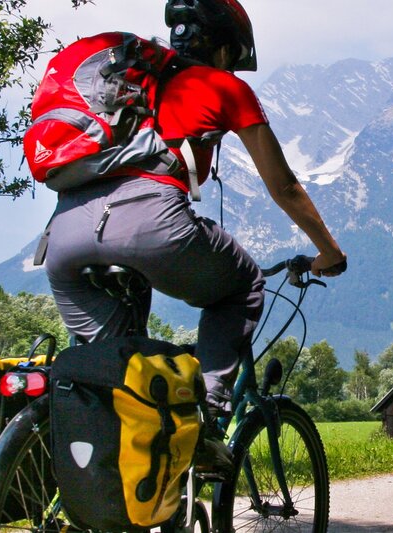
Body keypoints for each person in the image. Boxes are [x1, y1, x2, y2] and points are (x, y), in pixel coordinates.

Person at [42, 0, 346, 471]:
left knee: (115, 383)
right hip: (150, 223)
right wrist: (329, 252)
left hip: (64, 235)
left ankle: (103, 486)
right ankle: (207, 419)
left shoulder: (132, 86)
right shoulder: (222, 86)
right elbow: (284, 186)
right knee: (243, 285)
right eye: (233, 58)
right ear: (224, 50)